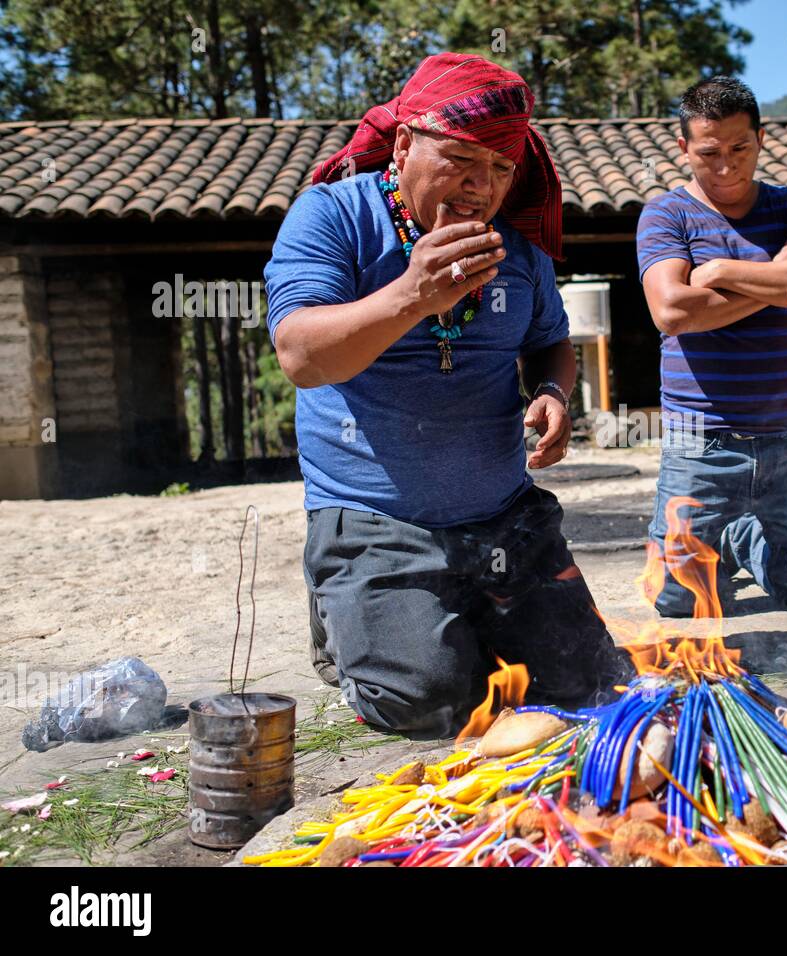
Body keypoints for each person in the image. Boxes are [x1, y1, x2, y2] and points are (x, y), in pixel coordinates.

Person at [264, 53, 629, 737]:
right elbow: (300, 356)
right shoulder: (333, 217)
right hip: (376, 522)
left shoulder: (515, 252)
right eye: (461, 159)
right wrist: (412, 294)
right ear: (403, 145)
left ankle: (447, 624)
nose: (480, 186)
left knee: (590, 684)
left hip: (505, 518)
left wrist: (552, 390)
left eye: (499, 169)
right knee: (428, 702)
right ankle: (353, 615)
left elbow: (551, 341)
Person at [636, 76, 787, 618]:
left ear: (761, 138)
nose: (726, 165)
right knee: (677, 600)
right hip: (700, 437)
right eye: (709, 152)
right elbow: (673, 312)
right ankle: (723, 538)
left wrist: (726, 272)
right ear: (683, 147)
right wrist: (778, 279)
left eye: (740, 148)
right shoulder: (666, 214)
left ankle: (737, 539)